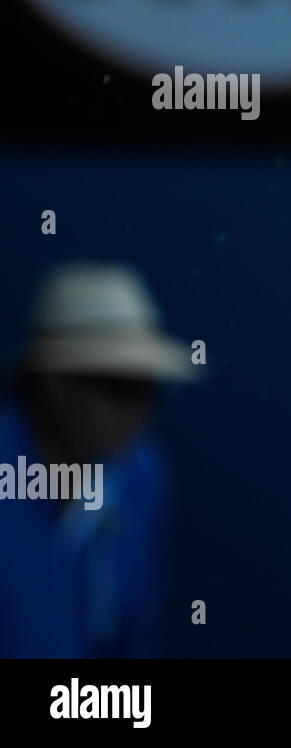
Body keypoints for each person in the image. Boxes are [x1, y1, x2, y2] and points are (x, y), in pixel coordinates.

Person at [0, 262, 196, 657]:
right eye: (117, 385)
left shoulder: (143, 475)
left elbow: (134, 635)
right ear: (52, 382)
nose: (138, 410)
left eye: (149, 388)